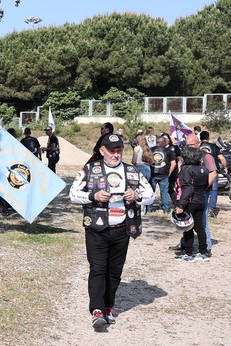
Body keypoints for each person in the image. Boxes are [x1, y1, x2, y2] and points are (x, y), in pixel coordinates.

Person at [70, 133, 154, 329]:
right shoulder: (90, 169)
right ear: (102, 151)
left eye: (119, 151)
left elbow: (150, 194)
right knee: (98, 268)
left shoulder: (132, 170)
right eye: (111, 151)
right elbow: (73, 194)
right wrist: (93, 195)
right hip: (97, 228)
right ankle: (97, 310)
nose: (116, 155)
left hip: (122, 228)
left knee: (115, 271)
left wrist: (136, 195)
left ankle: (109, 306)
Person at [173, 146, 211, 261]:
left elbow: (188, 188)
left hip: (190, 202)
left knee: (187, 227)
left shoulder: (186, 169)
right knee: (199, 227)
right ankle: (203, 252)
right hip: (201, 200)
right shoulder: (203, 168)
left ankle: (189, 254)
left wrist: (181, 205)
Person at [199, 130, 226, 217]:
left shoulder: (197, 146)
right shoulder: (214, 146)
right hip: (213, 170)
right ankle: (211, 208)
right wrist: (225, 167)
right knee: (213, 190)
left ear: (200, 138)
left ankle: (202, 207)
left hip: (200, 171)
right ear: (208, 137)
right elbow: (221, 158)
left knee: (201, 189)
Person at [149, 134, 176, 213]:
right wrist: (169, 173)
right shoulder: (168, 151)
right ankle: (166, 209)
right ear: (163, 142)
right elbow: (173, 163)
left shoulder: (150, 150)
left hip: (152, 174)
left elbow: (146, 162)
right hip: (164, 175)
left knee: (151, 192)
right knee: (164, 192)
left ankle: (149, 208)